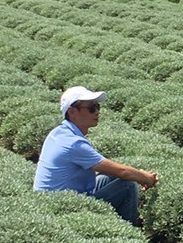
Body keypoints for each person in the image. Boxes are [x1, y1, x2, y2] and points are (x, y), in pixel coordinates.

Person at [33, 86, 158, 225]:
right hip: (62, 210)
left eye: (97, 106)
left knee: (112, 176)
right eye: (91, 108)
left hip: (62, 199)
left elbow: (113, 169)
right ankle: (130, 233)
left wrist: (138, 174)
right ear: (72, 111)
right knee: (127, 185)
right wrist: (145, 178)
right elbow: (122, 172)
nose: (97, 112)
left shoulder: (59, 133)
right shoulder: (73, 144)